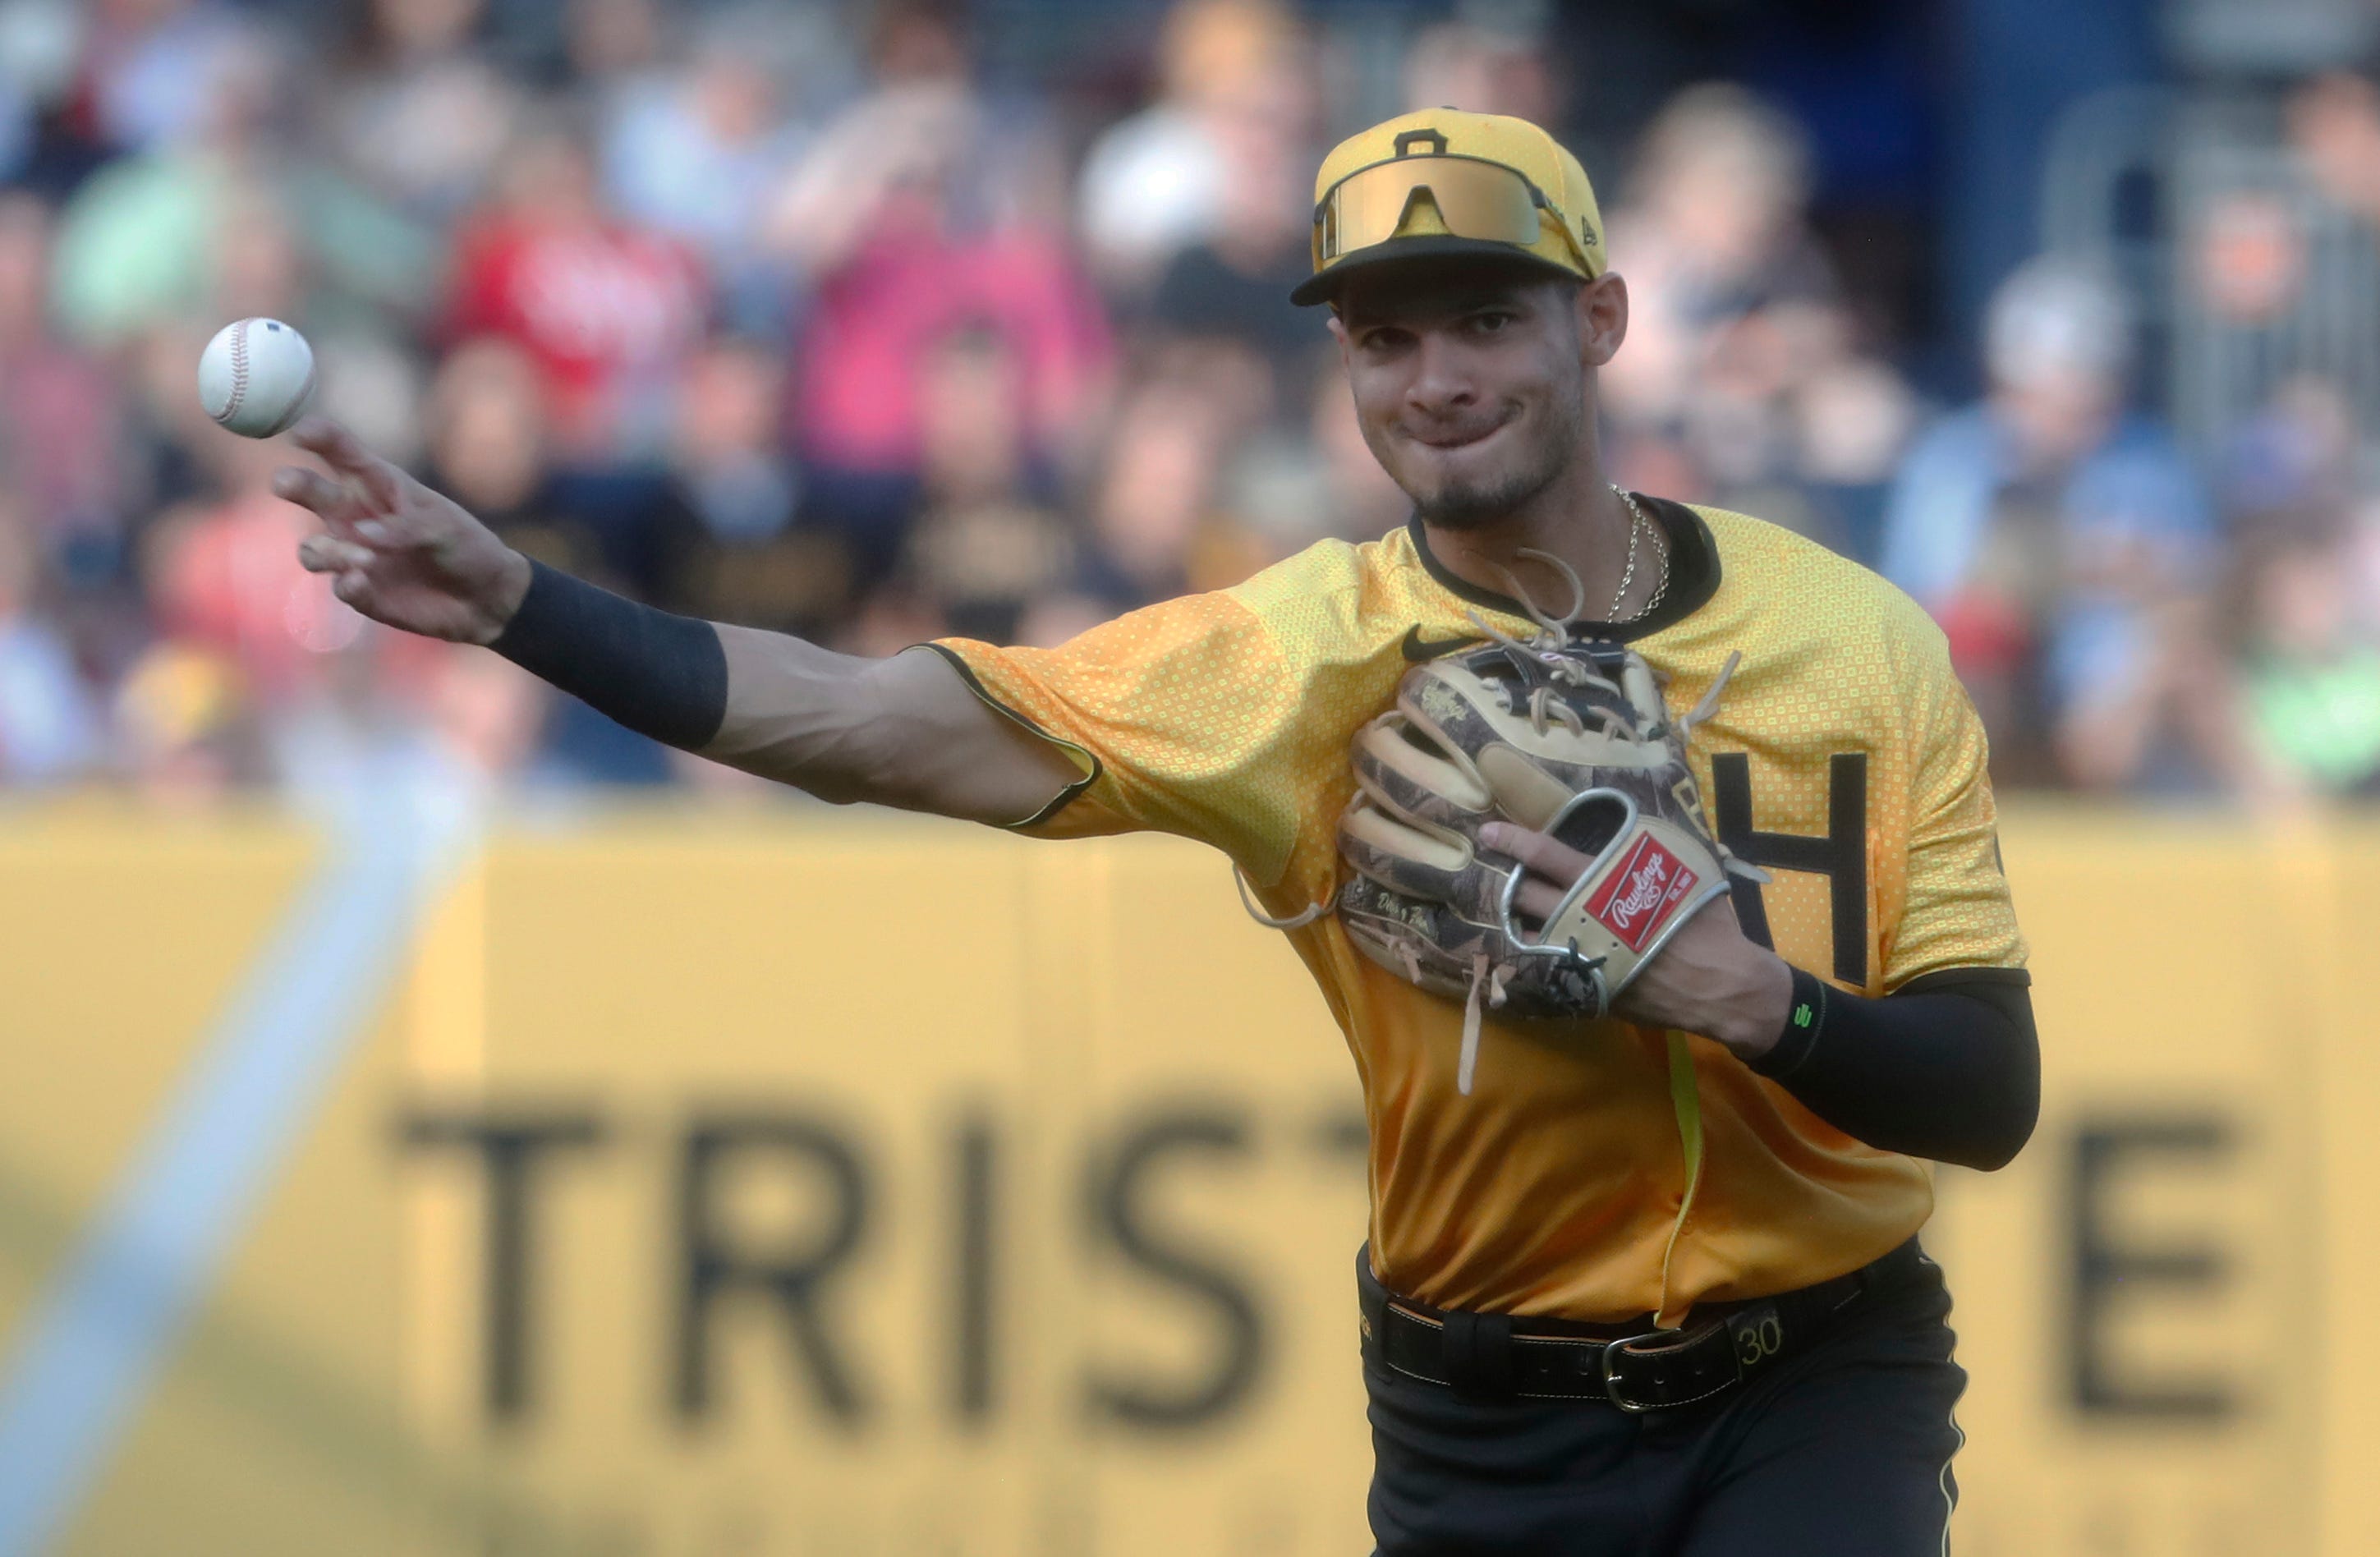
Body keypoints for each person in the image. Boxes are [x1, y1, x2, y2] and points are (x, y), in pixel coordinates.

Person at [274, 108, 2037, 1555]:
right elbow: (873, 726)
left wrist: (1757, 1001)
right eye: (1383, 332)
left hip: (1827, 1365)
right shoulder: (1293, 660)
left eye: (1486, 316)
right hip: (1487, 1416)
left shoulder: (1853, 644)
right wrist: (523, 604)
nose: (1434, 376)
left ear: (1601, 319)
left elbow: (1988, 1090)